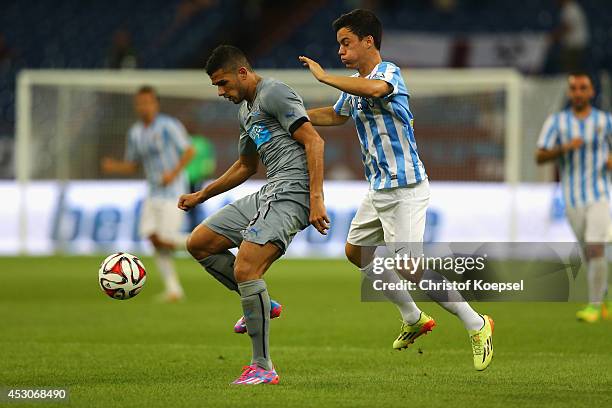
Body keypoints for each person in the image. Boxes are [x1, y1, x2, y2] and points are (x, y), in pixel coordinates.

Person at [299, 9, 493, 371]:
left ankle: (477, 323)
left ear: (368, 41)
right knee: (356, 252)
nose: (340, 51)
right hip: (378, 188)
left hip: (406, 188)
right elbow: (338, 115)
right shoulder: (355, 88)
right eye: (338, 45)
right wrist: (294, 114)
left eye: (346, 43)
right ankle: (413, 316)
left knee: (409, 268)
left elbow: (376, 90)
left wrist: (325, 77)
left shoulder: (387, 73)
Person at [178, 45, 328, 385]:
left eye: (224, 83)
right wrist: (203, 194)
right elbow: (246, 165)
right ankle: (262, 303)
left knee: (246, 267)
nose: (221, 92)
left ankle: (262, 367)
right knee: (199, 242)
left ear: (242, 73)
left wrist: (316, 199)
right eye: (216, 86)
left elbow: (314, 142)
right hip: (270, 190)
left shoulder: (274, 92)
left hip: (294, 193)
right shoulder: (245, 110)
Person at [102, 86, 194, 302]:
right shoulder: (135, 133)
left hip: (174, 191)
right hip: (153, 192)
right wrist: (114, 166)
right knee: (153, 237)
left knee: (166, 238)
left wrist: (173, 173)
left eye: (148, 102)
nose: (144, 106)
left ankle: (210, 240)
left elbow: (189, 150)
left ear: (156, 104)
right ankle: (173, 289)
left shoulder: (168, 126)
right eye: (140, 103)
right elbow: (133, 164)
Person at [535, 72, 611, 322]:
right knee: (589, 251)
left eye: (583, 88)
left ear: (591, 92)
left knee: (595, 245)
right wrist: (564, 148)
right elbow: (540, 156)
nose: (578, 92)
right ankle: (604, 296)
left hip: (600, 194)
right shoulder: (557, 122)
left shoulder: (605, 121)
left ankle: (594, 305)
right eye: (574, 88)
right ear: (569, 93)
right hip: (572, 198)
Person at [184, 134, 216, 231]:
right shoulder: (198, 142)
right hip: (190, 178)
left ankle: (196, 227)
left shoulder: (200, 142)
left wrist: (206, 172)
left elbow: (209, 159)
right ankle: (194, 227)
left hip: (195, 178)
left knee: (194, 204)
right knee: (192, 204)